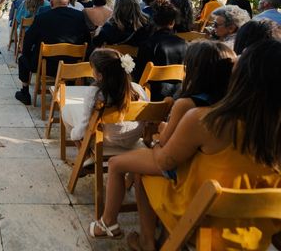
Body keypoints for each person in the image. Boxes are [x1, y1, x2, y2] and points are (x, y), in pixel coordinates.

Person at [129, 40, 281, 251]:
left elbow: (164, 161)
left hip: (203, 225)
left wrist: (155, 143)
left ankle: (148, 242)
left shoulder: (206, 120)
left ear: (240, 78)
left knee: (144, 172)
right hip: (258, 234)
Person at [89, 40, 236, 241]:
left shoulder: (188, 105)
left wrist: (161, 131)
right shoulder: (231, 104)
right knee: (138, 168)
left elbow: (165, 150)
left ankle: (111, 224)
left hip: (185, 172)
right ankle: (144, 237)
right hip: (209, 170)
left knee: (117, 164)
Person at [15, 0, 91, 105]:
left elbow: (28, 40)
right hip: (73, 65)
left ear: (51, 3)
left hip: (46, 66)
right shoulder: (79, 16)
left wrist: (26, 53)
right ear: (68, 2)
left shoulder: (42, 18)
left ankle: (25, 92)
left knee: (23, 59)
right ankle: (70, 87)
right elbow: (87, 39)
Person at [67, 49, 148, 153]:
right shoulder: (137, 89)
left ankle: (86, 156)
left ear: (100, 75)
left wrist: (74, 135)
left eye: (93, 69)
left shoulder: (96, 94)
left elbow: (85, 125)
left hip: (105, 141)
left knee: (67, 110)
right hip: (132, 139)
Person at [132, 0, 187, 100]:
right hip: (177, 97)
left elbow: (139, 75)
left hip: (151, 99)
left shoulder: (147, 45)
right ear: (172, 22)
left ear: (155, 22)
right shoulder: (184, 44)